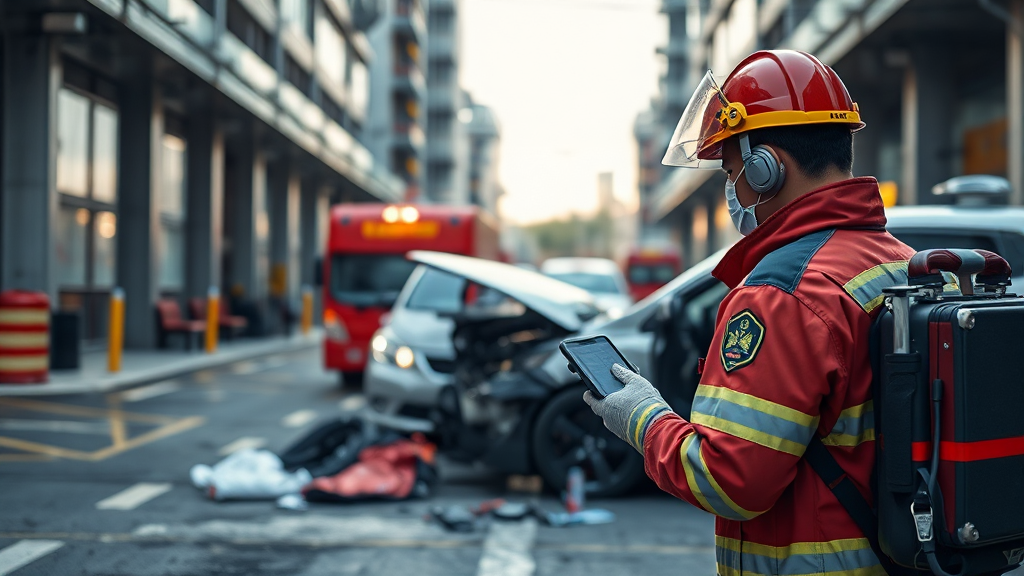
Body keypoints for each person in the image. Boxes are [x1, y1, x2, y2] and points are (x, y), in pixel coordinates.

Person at [584, 50, 916, 576]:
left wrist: (645, 420)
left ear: (767, 168)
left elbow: (729, 480)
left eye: (733, 171)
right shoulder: (900, 262)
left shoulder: (782, 295)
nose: (732, 193)